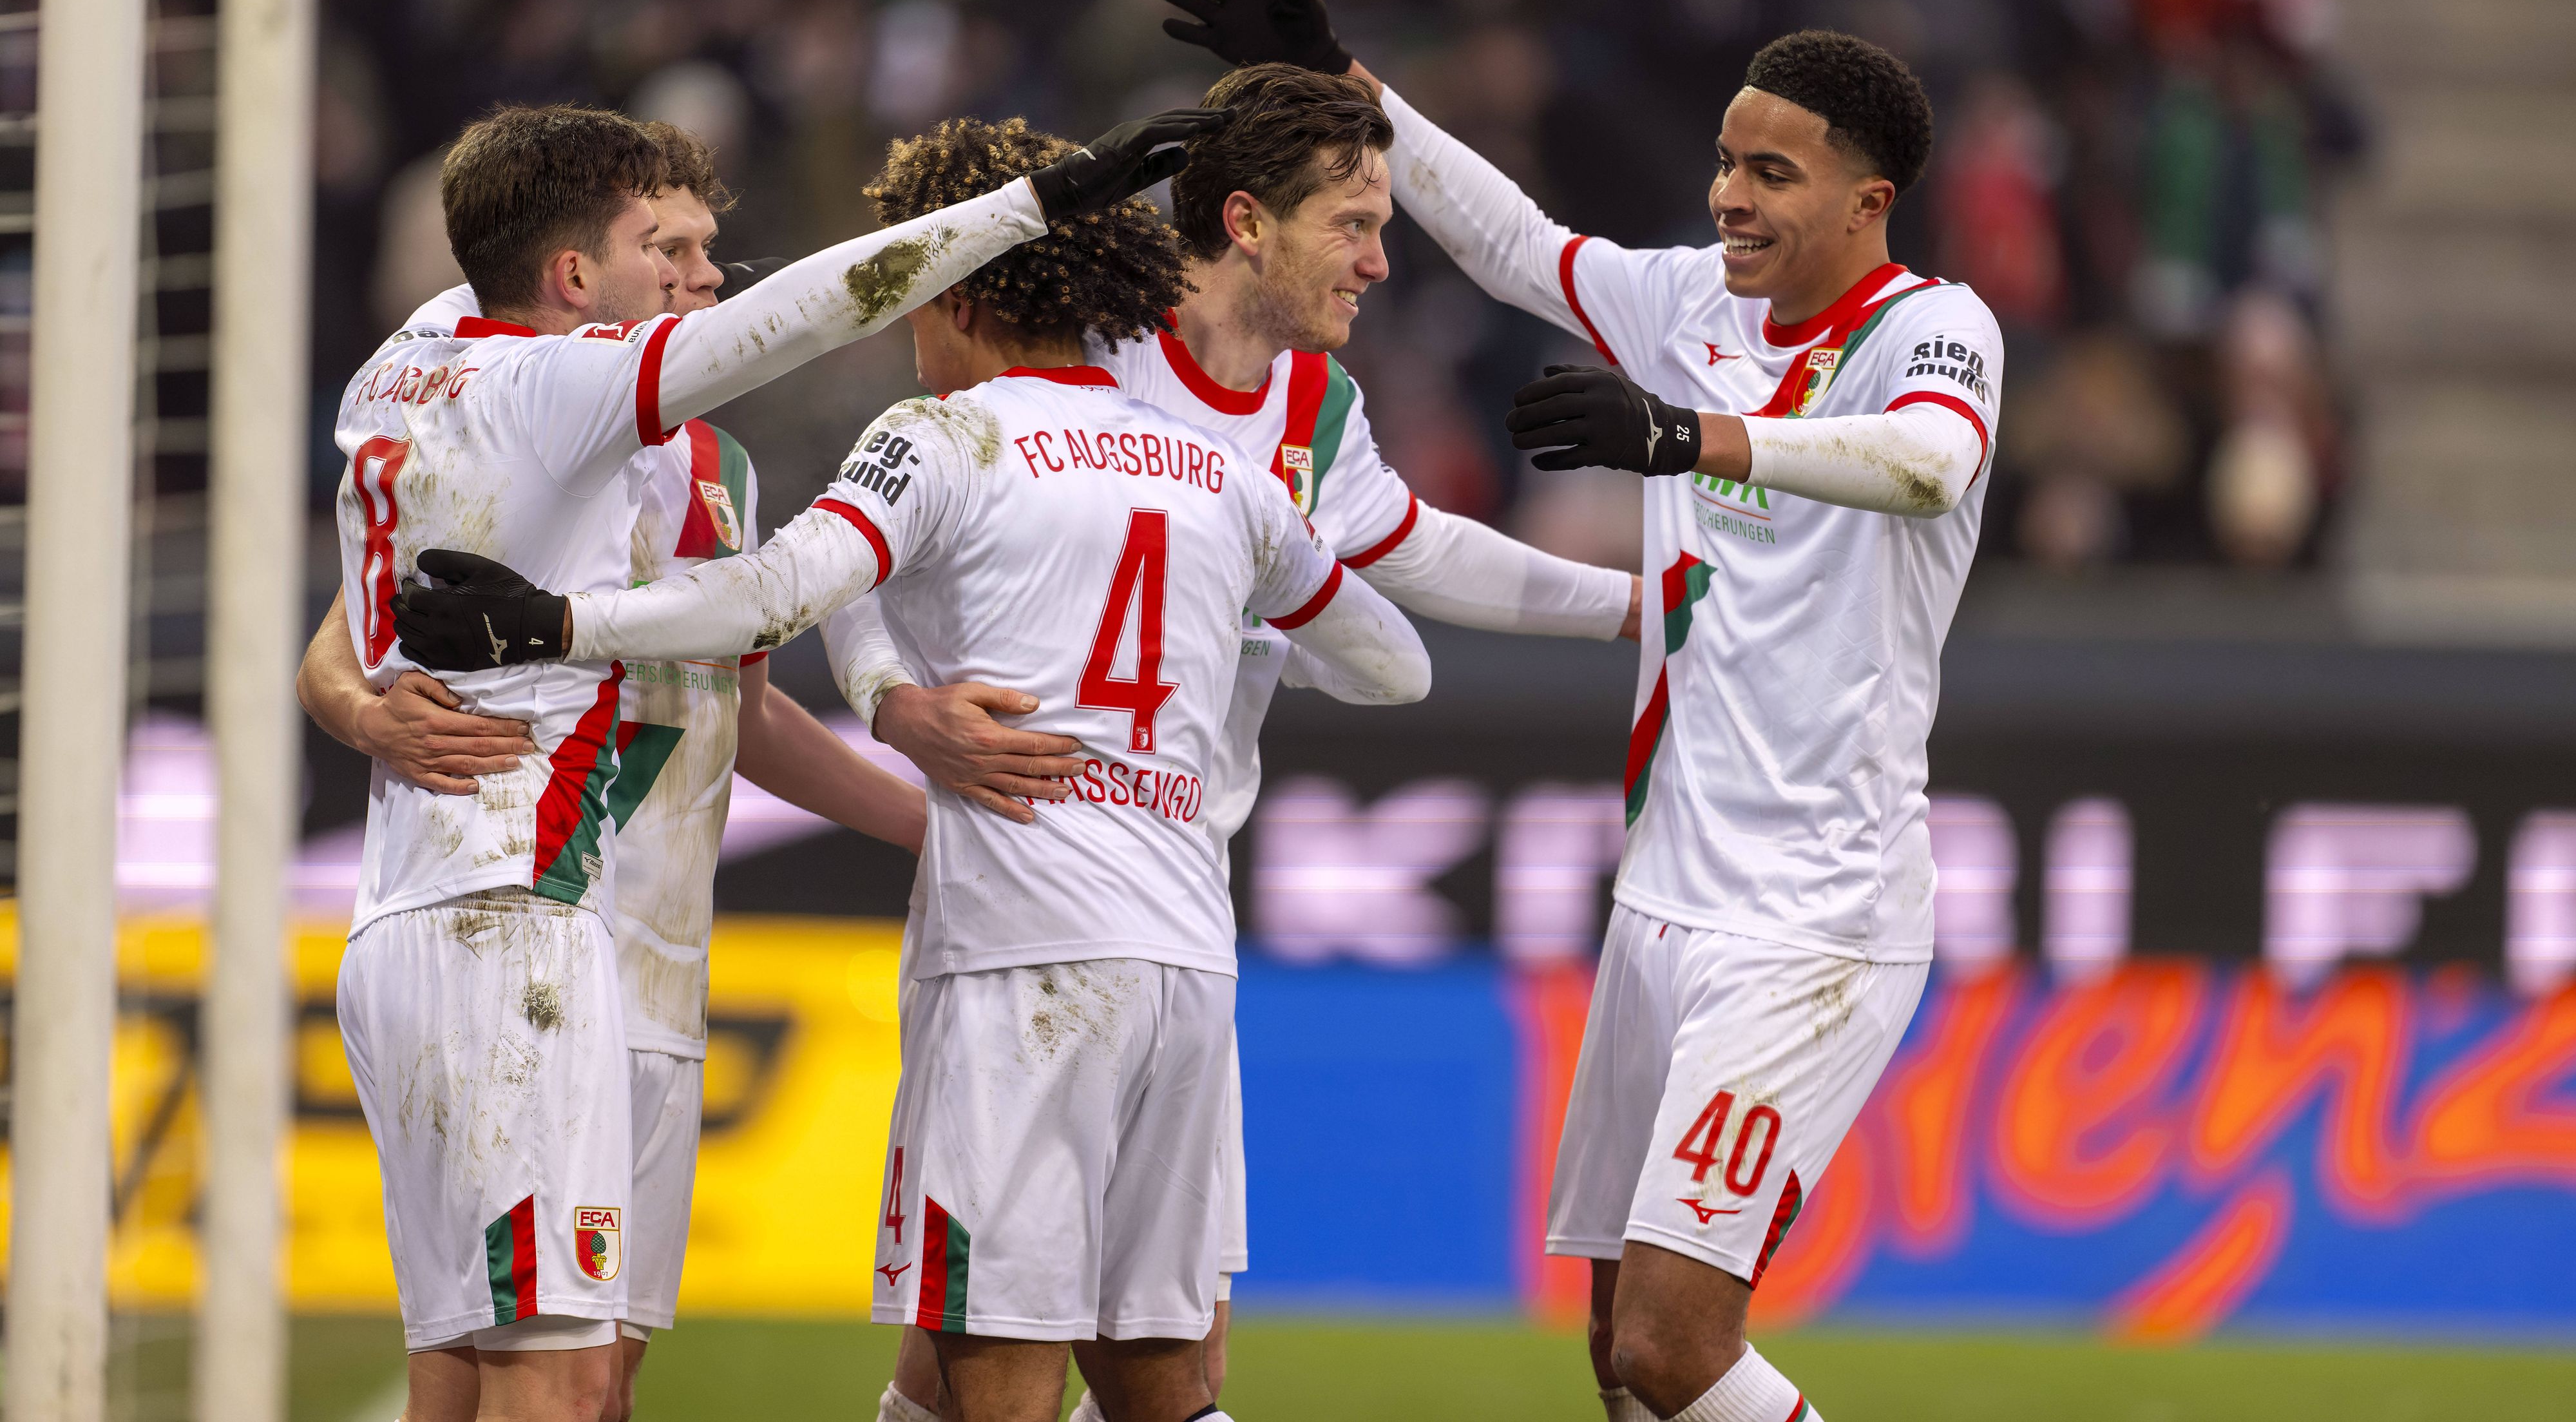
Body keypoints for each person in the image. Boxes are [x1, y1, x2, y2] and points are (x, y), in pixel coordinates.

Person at [389, 125, 1431, 1422]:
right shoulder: (1217, 469)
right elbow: (1395, 665)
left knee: (995, 1372)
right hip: (1183, 954)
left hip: (1018, 960)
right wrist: (1230, 649)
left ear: (967, 290)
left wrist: (557, 624)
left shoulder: (946, 437)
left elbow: (776, 593)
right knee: (1156, 1382)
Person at [1158, 0, 2001, 1422]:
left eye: (1773, 175)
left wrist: (1686, 439)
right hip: (1661, 894)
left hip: (1813, 909)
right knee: (1620, 1350)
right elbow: (1511, 242)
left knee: (1681, 1346)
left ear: (1868, 203)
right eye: (1726, 163)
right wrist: (1345, 78)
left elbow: (1929, 468)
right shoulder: (1688, 301)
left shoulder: (1929, 329)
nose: (1730, 197)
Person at [850, 72, 1642, 1422]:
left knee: (992, 1347)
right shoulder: (1083, 342)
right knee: (1099, 1356)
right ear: (1245, 221)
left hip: (1177, 899)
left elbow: (1412, 549)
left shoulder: (1306, 408)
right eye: (1352, 223)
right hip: (1026, 890)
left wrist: (1639, 605)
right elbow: (884, 507)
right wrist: (888, 697)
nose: (1380, 261)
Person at [298, 120, 943, 1421]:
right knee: (539, 1367)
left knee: (581, 1378)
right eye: (672, 246)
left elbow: (745, 718)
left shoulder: (721, 465)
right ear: (584, 269)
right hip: (525, 914)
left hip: (648, 964)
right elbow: (366, 593)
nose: (706, 276)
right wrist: (354, 702)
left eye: (709, 245)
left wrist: (948, 828)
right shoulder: (506, 381)